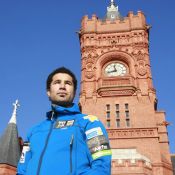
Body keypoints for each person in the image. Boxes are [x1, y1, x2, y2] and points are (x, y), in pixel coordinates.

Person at [17, 67, 112, 175]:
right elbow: (22, 170)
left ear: (74, 92)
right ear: (48, 92)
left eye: (68, 83)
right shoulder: (33, 131)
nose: (62, 86)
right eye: (57, 82)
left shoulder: (90, 123)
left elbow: (101, 168)